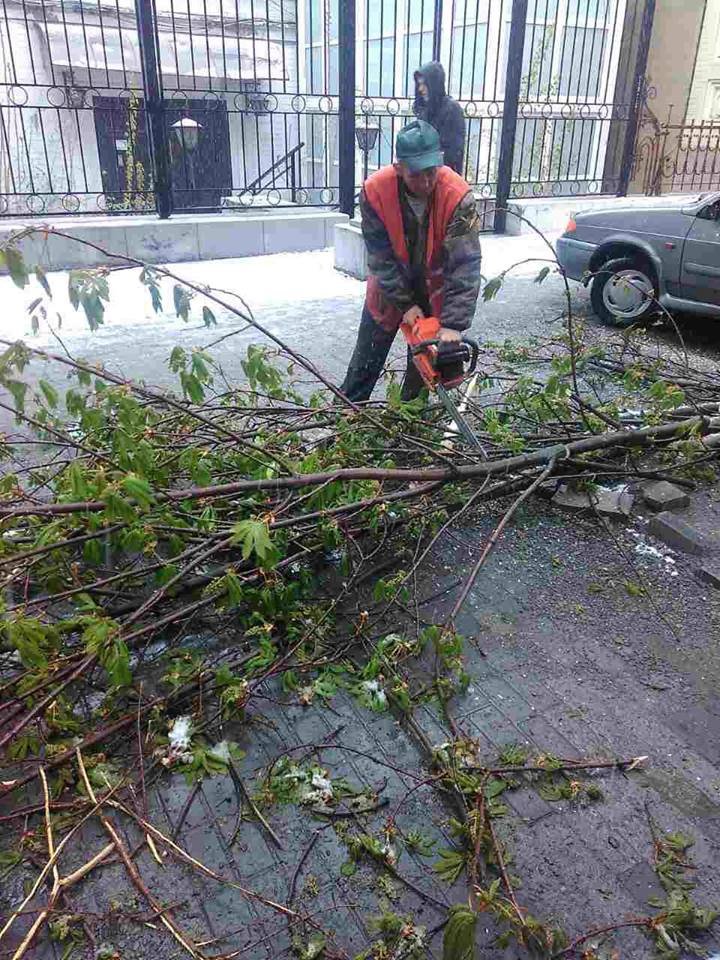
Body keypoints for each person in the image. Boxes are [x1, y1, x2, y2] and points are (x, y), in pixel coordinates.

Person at [340, 120, 481, 403]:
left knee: (422, 375)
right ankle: (344, 424)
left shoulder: (458, 197)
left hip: (435, 294)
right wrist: (405, 304)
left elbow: (465, 265)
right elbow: (380, 257)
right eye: (417, 174)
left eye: (431, 172)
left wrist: (453, 326)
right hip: (388, 290)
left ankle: (410, 432)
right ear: (399, 168)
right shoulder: (374, 192)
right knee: (363, 367)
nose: (426, 182)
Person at [413, 61, 466, 175]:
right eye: (419, 84)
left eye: (424, 84)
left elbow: (452, 153)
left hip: (444, 177)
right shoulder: (425, 110)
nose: (420, 89)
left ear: (434, 84)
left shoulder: (452, 109)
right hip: (425, 177)